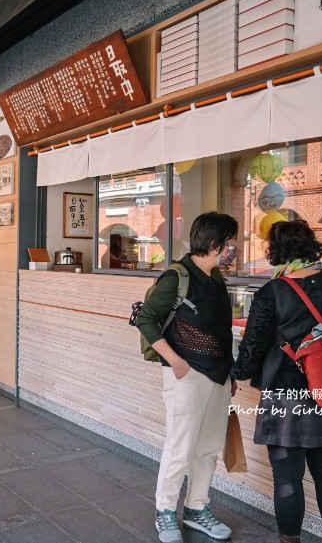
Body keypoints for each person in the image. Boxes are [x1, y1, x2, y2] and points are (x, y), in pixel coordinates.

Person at [232, 221, 322, 543]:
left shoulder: (272, 292)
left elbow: (250, 354)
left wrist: (233, 373)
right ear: (312, 247)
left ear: (276, 252)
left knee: (287, 477)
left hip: (286, 396)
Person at [134, 212, 238, 543]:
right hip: (187, 375)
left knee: (207, 448)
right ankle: (165, 511)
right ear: (212, 244)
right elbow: (146, 320)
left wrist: (230, 371)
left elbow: (222, 330)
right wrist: (177, 363)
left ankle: (196, 509)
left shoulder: (217, 278)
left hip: (219, 376)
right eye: (229, 242)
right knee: (180, 446)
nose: (232, 248)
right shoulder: (176, 277)